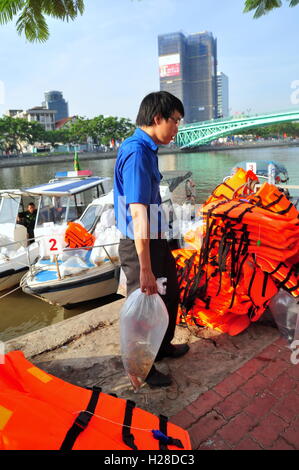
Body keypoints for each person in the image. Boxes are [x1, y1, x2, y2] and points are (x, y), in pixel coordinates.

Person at [114, 91, 189, 387]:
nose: (177, 128)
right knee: (144, 307)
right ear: (157, 118)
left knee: (169, 295)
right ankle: (141, 368)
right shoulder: (137, 152)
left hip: (156, 240)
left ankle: (162, 347)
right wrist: (145, 268)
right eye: (175, 120)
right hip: (139, 246)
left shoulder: (148, 149)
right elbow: (138, 213)